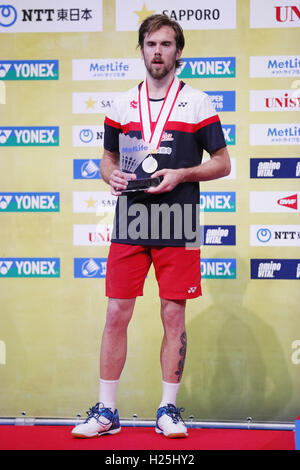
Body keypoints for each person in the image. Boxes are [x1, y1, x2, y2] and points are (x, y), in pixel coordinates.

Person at [72, 14, 231, 439]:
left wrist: (182, 173)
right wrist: (111, 176)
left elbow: (222, 163)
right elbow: (107, 160)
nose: (157, 51)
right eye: (150, 44)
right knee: (116, 313)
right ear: (141, 49)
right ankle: (106, 411)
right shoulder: (122, 104)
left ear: (179, 52)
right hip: (131, 218)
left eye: (165, 44)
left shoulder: (198, 102)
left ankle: (168, 410)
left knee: (173, 315)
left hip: (178, 219)